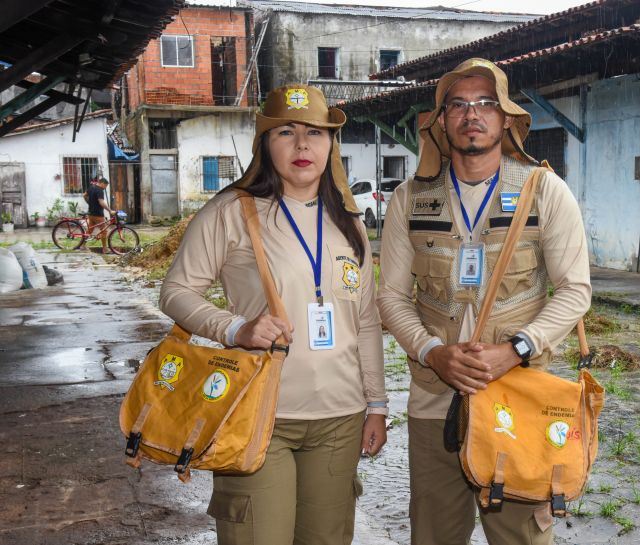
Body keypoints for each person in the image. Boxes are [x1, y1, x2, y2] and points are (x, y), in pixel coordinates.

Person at [159, 84, 388, 545]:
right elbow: (176, 291)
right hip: (258, 415)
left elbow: (365, 321)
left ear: (330, 145)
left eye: (315, 134)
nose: (302, 145)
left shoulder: (349, 221)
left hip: (340, 419)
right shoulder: (231, 210)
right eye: (286, 132)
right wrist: (235, 328)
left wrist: (377, 406)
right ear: (265, 143)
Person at [377, 58, 591, 545]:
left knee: (521, 537)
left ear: (506, 118)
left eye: (485, 104)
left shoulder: (545, 192)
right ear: (440, 121)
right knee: (433, 534)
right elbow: (390, 296)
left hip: (518, 398)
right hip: (435, 402)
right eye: (458, 105)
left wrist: (515, 349)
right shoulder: (410, 199)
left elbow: (575, 290)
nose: (471, 114)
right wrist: (432, 352)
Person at [83, 176, 115, 254]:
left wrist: (89, 203)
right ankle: (105, 249)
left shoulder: (91, 187)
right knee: (104, 231)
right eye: (105, 186)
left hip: (91, 213)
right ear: (102, 183)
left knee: (90, 230)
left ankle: (82, 245)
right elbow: (101, 202)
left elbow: (84, 195)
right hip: (98, 214)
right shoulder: (100, 190)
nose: (105, 188)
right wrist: (110, 210)